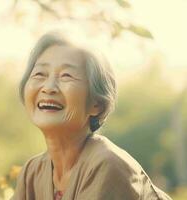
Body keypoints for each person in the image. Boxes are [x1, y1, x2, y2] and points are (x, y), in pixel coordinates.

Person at [11, 31, 172, 200]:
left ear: (96, 104)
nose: (48, 87)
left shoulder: (107, 164)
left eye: (66, 76)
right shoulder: (32, 171)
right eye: (40, 74)